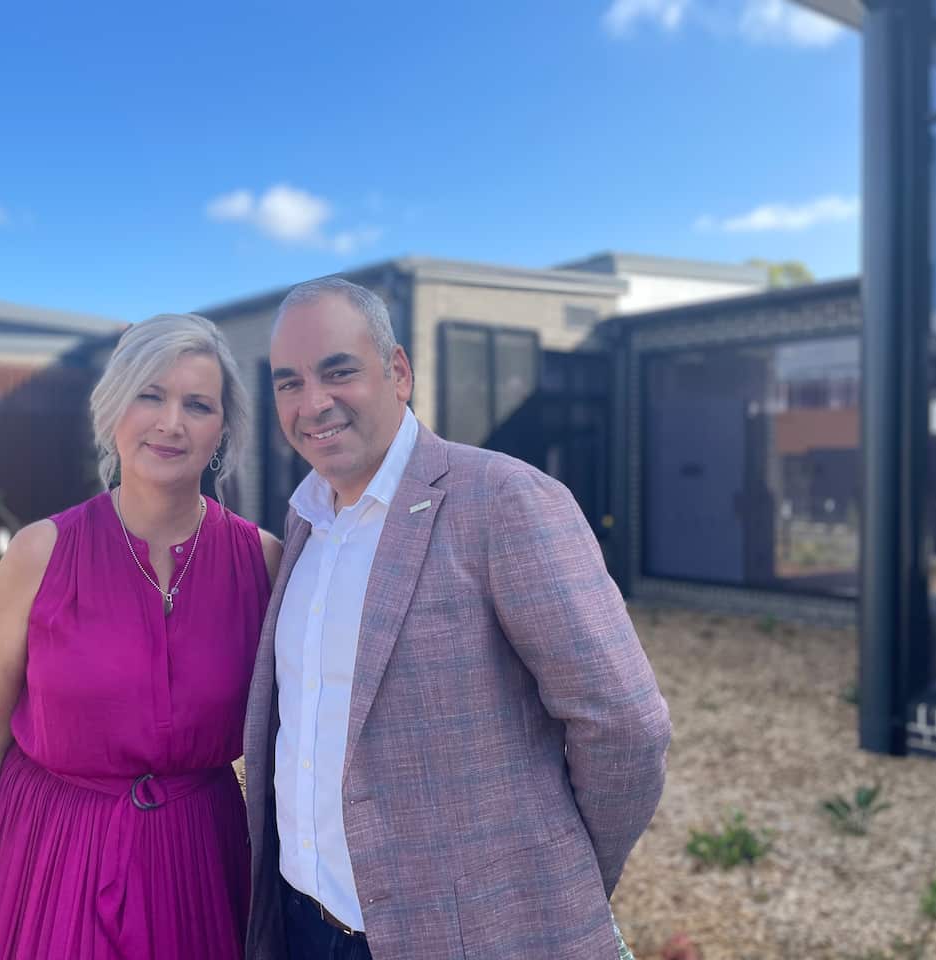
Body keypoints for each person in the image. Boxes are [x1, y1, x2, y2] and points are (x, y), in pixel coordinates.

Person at [243, 278, 671, 959]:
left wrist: (557, 879)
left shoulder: (502, 500)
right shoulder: (304, 525)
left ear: (399, 372)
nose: (312, 403)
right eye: (288, 383)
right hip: (302, 927)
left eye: (338, 371)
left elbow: (624, 724)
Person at [0, 314, 282, 960]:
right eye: (150, 394)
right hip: (50, 861)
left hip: (200, 870)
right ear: (114, 407)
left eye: (197, 404)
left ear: (223, 429)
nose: (170, 422)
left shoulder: (260, 563)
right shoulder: (39, 556)